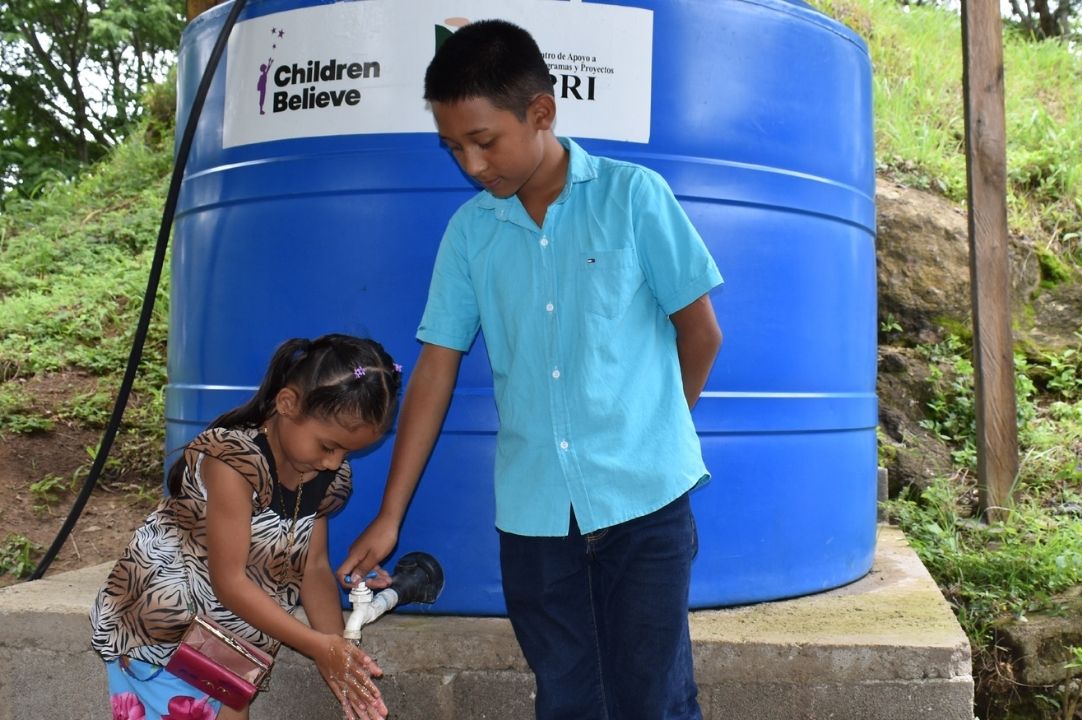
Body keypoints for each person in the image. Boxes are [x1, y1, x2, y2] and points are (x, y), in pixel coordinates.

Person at [337, 19, 723, 720]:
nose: (472, 165)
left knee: (655, 702)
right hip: (535, 519)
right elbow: (435, 369)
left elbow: (700, 334)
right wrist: (390, 515)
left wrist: (655, 431)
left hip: (645, 507)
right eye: (454, 148)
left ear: (541, 112)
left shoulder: (633, 197)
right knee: (567, 703)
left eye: (484, 141)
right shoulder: (470, 233)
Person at [91, 334, 400, 720]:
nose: (334, 462)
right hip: (162, 632)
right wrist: (319, 647)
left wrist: (339, 653)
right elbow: (230, 581)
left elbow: (314, 567)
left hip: (227, 646)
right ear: (287, 404)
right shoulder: (233, 462)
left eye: (347, 452)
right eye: (327, 446)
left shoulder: (320, 475)